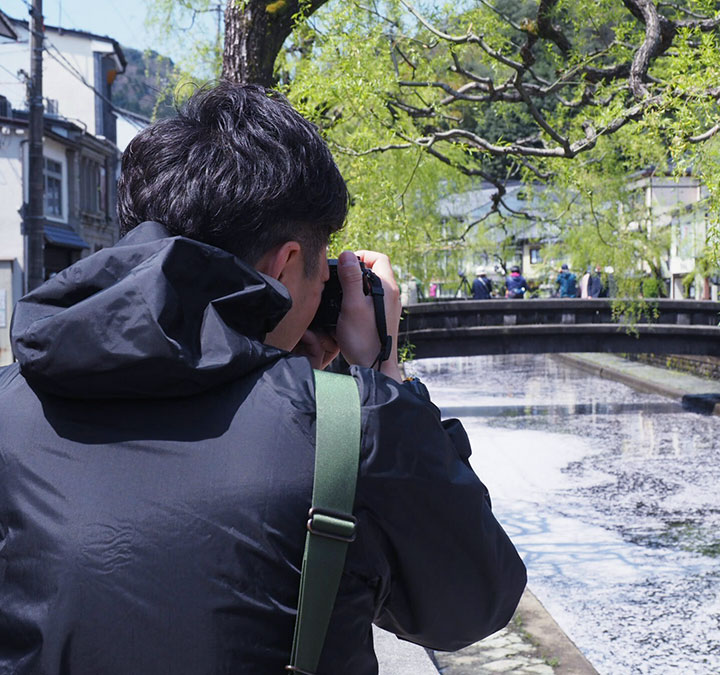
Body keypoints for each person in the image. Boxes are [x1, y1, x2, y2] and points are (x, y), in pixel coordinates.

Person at [0, 82, 525, 674]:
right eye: (322, 271)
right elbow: (472, 604)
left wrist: (282, 368)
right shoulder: (352, 427)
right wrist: (383, 376)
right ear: (286, 263)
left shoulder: (10, 407)